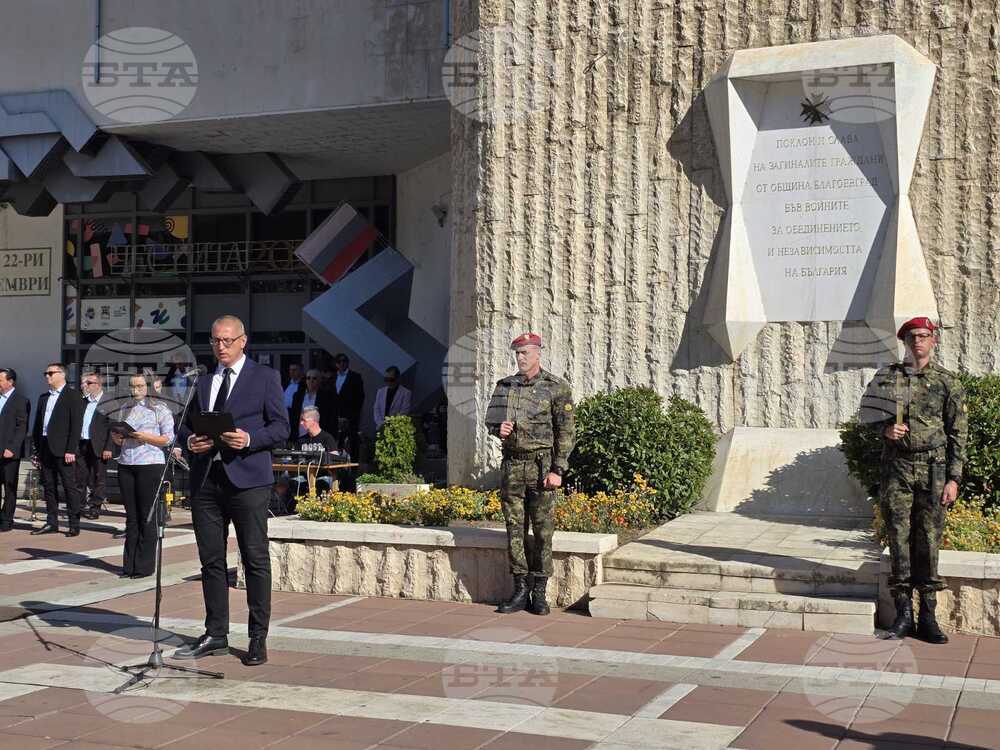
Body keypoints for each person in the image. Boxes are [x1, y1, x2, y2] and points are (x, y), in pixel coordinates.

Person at [172, 315, 289, 667]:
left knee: (254, 559)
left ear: (243, 341)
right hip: (207, 480)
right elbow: (184, 427)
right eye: (214, 341)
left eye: (226, 341)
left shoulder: (265, 377)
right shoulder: (203, 381)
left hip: (248, 480)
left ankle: (257, 637)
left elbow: (281, 426)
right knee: (211, 559)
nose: (219, 347)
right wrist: (190, 440)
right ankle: (216, 633)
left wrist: (250, 439)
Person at [861, 316, 967, 644]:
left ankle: (929, 616)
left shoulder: (948, 382)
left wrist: (953, 478)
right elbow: (865, 416)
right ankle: (903, 614)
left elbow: (958, 433)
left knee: (929, 540)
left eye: (923, 336)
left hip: (934, 470)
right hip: (898, 468)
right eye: (911, 337)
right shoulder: (888, 378)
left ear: (933, 341)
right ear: (905, 343)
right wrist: (885, 429)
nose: (917, 341)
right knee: (898, 537)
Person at [485, 333, 574, 616]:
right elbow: (491, 420)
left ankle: (540, 591)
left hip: (541, 467)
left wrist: (558, 469)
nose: (521, 358)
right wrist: (498, 429)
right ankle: (520, 588)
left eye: (525, 353)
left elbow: (566, 432)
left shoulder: (556, 388)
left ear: (538, 354)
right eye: (517, 353)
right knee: (515, 530)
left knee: (543, 530)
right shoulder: (505, 387)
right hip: (513, 466)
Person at [112, 373, 174, 578]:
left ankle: (144, 566)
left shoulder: (160, 409)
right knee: (131, 517)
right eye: (132, 386)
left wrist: (145, 436)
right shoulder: (124, 408)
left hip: (150, 463)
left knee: (147, 515)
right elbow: (120, 436)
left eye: (139, 386)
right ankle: (128, 565)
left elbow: (168, 439)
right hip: (126, 462)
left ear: (150, 387)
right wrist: (118, 436)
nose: (134, 390)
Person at [30, 363, 84, 536]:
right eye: (45, 373)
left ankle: (74, 523)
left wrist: (71, 449)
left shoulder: (73, 395)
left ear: (62, 374)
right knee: (48, 486)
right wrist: (36, 448)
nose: (47, 376)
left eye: (51, 373)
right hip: (45, 446)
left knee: (69, 486)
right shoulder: (44, 397)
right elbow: (38, 424)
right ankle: (51, 522)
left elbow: (76, 425)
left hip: (64, 449)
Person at [78, 371, 113, 520]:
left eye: (89, 383)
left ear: (98, 385)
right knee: (80, 476)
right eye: (85, 383)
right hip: (82, 443)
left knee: (99, 478)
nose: (86, 385)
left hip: (99, 445)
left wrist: (109, 447)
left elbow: (113, 427)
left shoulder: (109, 402)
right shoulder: (83, 401)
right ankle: (79, 506)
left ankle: (95, 507)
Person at [0, 368, 30, 532]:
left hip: (9, 452)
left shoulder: (20, 400)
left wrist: (12, 447)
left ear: (10, 381)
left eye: (0, 380)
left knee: (9, 487)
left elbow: (22, 427)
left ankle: (6, 520)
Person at [290, 406, 343, 495]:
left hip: (323, 476)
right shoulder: (300, 441)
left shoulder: (327, 438)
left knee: (321, 485)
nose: (301, 423)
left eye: (304, 420)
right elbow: (293, 461)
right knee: (291, 483)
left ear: (313, 421)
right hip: (304, 477)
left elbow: (335, 460)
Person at [327, 353, 364, 458]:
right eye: (339, 361)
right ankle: (335, 466)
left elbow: (360, 398)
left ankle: (353, 468)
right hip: (335, 417)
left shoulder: (355, 377)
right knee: (335, 442)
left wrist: (351, 416)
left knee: (352, 442)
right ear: (336, 364)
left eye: (344, 361)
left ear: (348, 363)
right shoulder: (332, 378)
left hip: (350, 417)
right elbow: (329, 398)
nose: (342, 363)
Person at [289, 369, 331, 440]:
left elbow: (329, 419)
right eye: (308, 378)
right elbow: (293, 416)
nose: (311, 381)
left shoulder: (326, 397)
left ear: (319, 380)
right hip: (299, 435)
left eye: (314, 378)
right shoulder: (298, 396)